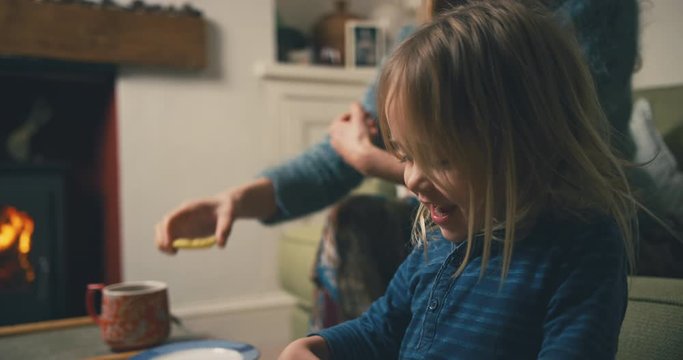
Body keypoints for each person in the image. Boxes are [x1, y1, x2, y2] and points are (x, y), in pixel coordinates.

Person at [278, 1, 636, 358]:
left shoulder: (581, 248)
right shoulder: (433, 246)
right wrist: (315, 346)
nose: (412, 178)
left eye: (442, 158)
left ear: (528, 141)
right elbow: (380, 329)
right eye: (406, 156)